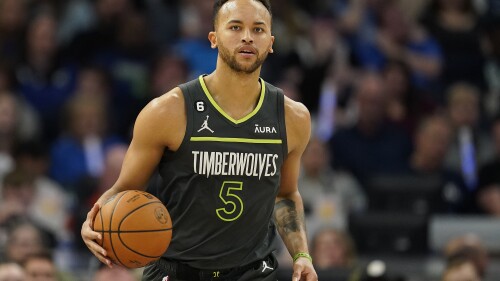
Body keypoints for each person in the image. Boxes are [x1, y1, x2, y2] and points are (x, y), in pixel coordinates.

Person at [81, 1, 318, 281]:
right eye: (235, 27)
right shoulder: (167, 111)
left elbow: (286, 194)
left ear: (271, 43)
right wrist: (93, 220)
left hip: (253, 272)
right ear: (213, 38)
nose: (247, 37)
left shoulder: (293, 117)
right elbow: (124, 189)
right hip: (178, 270)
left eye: (258, 29)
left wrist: (301, 254)